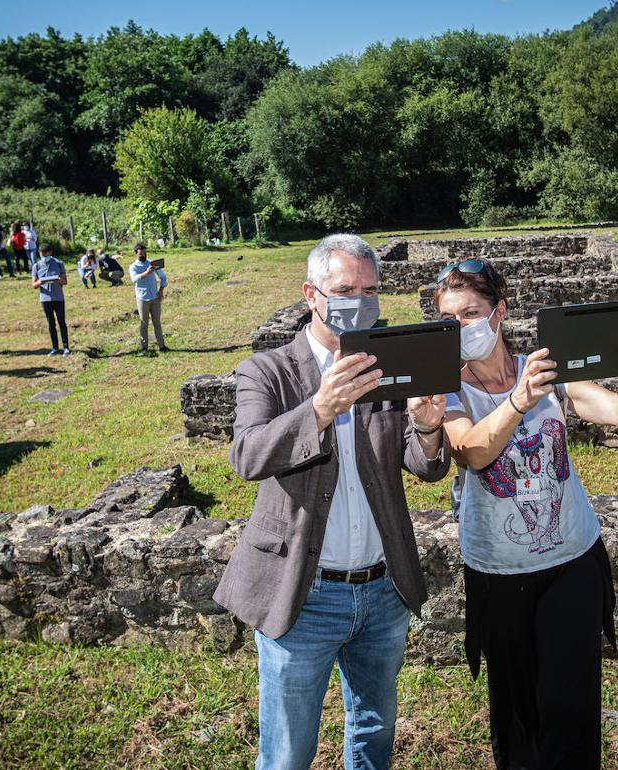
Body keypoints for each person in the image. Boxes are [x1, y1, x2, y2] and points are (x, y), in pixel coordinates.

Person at [213, 233, 452, 770]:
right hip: (305, 592)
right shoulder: (268, 371)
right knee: (289, 748)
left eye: (370, 290)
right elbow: (247, 455)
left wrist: (428, 428)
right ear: (311, 294)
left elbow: (424, 466)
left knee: (374, 729)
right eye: (346, 289)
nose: (361, 301)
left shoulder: (388, 360)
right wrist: (319, 409)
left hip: (381, 589)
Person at [434, 259, 618, 770]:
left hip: (572, 562)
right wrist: (517, 400)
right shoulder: (446, 388)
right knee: (517, 716)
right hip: (499, 572)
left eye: (473, 313)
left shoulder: (544, 370)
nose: (464, 327)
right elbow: (470, 450)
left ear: (499, 312)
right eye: (452, 319)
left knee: (572, 708)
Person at [30, 243, 70, 356]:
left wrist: (58, 280)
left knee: (62, 322)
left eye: (45, 254)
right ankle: (55, 348)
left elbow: (65, 281)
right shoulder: (36, 266)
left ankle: (66, 347)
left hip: (58, 298)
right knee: (50, 324)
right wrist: (40, 282)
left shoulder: (58, 263)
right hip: (45, 299)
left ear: (50, 253)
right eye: (41, 254)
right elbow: (33, 285)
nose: (43, 256)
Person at [129, 243, 168, 355]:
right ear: (136, 254)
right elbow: (134, 279)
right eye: (141, 254)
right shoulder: (133, 266)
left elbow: (163, 276)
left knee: (157, 322)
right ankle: (144, 347)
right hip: (142, 298)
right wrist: (147, 272)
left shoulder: (152, 263)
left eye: (145, 253)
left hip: (155, 297)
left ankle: (162, 346)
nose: (143, 255)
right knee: (144, 323)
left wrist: (161, 290)